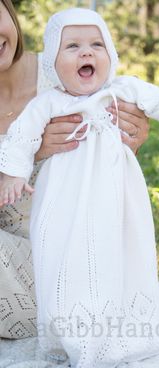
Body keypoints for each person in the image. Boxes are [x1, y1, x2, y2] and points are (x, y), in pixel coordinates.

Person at [1, 7, 159, 367]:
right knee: (66, 259)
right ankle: (72, 325)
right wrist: (15, 173)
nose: (86, 52)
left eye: (97, 44)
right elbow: (21, 136)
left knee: (117, 251)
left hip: (113, 201)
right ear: (53, 63)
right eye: (73, 46)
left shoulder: (121, 91)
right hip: (63, 205)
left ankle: (119, 317)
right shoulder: (49, 102)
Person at [0, 0, 150, 340]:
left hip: (81, 247)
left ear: (8, 9)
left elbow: (120, 148)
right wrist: (27, 155)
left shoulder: (67, 66)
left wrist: (132, 135)